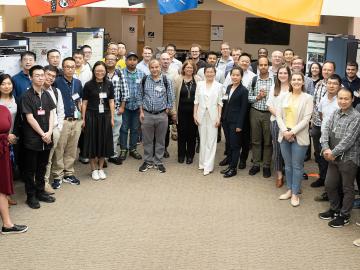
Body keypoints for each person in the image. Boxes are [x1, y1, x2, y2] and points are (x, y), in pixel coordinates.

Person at [319, 87, 360, 228]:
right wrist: (325, 148)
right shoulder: (335, 113)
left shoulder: (356, 117)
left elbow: (348, 140)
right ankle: (334, 209)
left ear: (352, 99)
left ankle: (344, 215)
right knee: (329, 184)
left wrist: (332, 152)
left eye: (346, 98)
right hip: (332, 156)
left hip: (348, 158)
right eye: (340, 98)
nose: (343, 101)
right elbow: (325, 131)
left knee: (347, 188)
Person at [21, 65, 56, 209]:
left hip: (47, 137)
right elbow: (30, 118)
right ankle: (31, 196)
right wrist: (43, 133)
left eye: (43, 75)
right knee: (31, 169)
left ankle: (40, 192)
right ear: (30, 77)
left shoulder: (47, 94)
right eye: (37, 75)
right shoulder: (26, 96)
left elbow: (52, 113)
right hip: (33, 139)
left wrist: (49, 132)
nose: (41, 78)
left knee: (42, 166)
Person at [277, 72, 313, 207]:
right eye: (294, 79)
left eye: (299, 80)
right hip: (284, 134)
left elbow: (306, 119)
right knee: (288, 165)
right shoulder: (284, 96)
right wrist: (285, 131)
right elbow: (279, 116)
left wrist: (292, 132)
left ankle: (295, 193)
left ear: (303, 82)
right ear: (290, 82)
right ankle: (290, 189)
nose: (296, 82)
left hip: (299, 136)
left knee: (297, 166)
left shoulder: (308, 98)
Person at [137, 59, 175, 173]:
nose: (154, 69)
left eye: (156, 67)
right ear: (149, 68)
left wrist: (167, 110)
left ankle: (158, 161)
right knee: (147, 140)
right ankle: (148, 161)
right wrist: (141, 112)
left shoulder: (166, 80)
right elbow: (139, 96)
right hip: (147, 114)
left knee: (160, 140)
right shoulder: (144, 80)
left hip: (162, 115)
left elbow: (171, 97)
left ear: (160, 67)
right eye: (152, 67)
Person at [52, 57, 83, 189]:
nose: (70, 69)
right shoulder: (57, 82)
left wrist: (82, 119)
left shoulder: (78, 82)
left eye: (72, 66)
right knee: (59, 149)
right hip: (63, 121)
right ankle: (57, 175)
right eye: (67, 66)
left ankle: (68, 173)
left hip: (76, 121)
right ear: (63, 68)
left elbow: (79, 100)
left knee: (72, 149)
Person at [82, 61, 115, 180]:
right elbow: (84, 103)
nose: (99, 73)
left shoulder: (109, 84)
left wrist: (112, 117)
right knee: (92, 142)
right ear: (93, 71)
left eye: (102, 70)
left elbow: (111, 101)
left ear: (105, 71)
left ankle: (101, 168)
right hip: (91, 115)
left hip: (105, 116)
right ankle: (93, 169)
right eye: (97, 71)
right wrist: (83, 118)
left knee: (103, 142)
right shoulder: (88, 85)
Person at [0, 104, 28, 234]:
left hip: (3, 153)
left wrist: (8, 136)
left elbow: (6, 129)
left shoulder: (3, 109)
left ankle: (7, 224)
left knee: (2, 190)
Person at [194, 65, 223, 176]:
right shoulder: (200, 84)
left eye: (212, 72)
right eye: (207, 72)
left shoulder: (219, 86)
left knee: (211, 141)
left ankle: (208, 166)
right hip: (201, 114)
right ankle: (202, 163)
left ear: (215, 73)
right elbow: (196, 101)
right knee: (203, 139)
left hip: (213, 116)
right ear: (204, 73)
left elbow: (220, 103)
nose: (209, 74)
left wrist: (219, 117)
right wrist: (194, 115)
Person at [247, 56, 274, 178]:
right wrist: (257, 97)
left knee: (268, 141)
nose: (263, 67)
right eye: (261, 65)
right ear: (258, 67)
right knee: (255, 140)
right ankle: (256, 164)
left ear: (268, 66)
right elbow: (248, 97)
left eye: (265, 65)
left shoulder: (274, 81)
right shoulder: (253, 80)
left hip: (270, 114)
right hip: (255, 112)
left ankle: (267, 166)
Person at [311, 61, 335, 188]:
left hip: (329, 128)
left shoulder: (338, 87)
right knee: (318, 153)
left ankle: (329, 181)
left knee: (328, 153)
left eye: (329, 70)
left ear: (333, 71)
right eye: (324, 69)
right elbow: (315, 104)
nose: (326, 72)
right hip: (316, 124)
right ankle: (322, 177)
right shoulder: (319, 84)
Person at [221, 66, 248, 178]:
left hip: (236, 123)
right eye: (233, 75)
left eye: (238, 75)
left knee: (235, 145)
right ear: (230, 75)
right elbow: (225, 103)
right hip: (226, 120)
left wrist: (239, 125)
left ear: (241, 76)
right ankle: (230, 165)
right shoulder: (228, 87)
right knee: (229, 144)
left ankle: (233, 169)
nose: (235, 77)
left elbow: (243, 109)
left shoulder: (244, 90)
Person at [266, 66, 290, 187]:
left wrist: (286, 120)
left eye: (285, 73)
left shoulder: (293, 87)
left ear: (289, 74)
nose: (282, 75)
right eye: (280, 73)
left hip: (291, 124)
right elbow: (269, 106)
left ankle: (289, 173)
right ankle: (279, 175)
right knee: (277, 149)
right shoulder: (274, 88)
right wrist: (280, 118)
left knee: (289, 150)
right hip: (275, 122)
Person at [104, 53, 129, 165]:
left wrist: (123, 107)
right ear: (105, 60)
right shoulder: (101, 72)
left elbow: (125, 91)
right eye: (108, 59)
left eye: (112, 59)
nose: (110, 61)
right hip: (103, 110)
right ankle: (103, 157)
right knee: (103, 134)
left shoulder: (120, 73)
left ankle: (112, 154)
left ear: (116, 61)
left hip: (117, 108)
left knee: (115, 134)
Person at [173, 60, 200, 164]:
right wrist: (174, 112)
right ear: (183, 68)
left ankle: (190, 155)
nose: (189, 69)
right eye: (187, 67)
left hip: (194, 113)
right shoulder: (178, 79)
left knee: (192, 135)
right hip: (181, 112)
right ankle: (181, 155)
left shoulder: (198, 79)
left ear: (194, 69)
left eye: (191, 68)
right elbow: (173, 97)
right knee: (182, 134)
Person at [43, 65, 65, 195]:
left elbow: (60, 111)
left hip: (54, 130)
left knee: (48, 158)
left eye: (53, 76)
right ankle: (36, 182)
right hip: (38, 132)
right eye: (48, 75)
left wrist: (59, 128)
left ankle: (45, 182)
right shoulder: (32, 91)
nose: (50, 78)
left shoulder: (56, 91)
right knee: (37, 159)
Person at [119, 52, 144, 161]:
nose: (132, 61)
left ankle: (133, 149)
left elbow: (144, 91)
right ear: (126, 61)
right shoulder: (120, 73)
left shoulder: (142, 74)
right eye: (130, 59)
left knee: (135, 129)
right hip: (125, 106)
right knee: (123, 129)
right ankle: (123, 149)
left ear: (137, 61)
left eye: (134, 59)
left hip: (137, 107)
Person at [0, 74, 20, 207]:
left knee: (10, 169)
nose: (6, 86)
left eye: (9, 83)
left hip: (14, 137)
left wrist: (14, 135)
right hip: (2, 139)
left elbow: (19, 120)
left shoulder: (16, 99)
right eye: (3, 84)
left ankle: (7, 195)